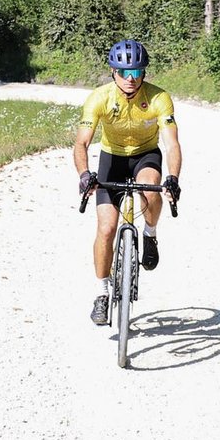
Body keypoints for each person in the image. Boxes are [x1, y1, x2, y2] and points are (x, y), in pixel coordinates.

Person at [74, 39, 182, 326]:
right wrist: (85, 175)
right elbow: (82, 143)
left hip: (146, 155)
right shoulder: (99, 98)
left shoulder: (160, 98)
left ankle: (150, 233)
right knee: (107, 228)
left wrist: (173, 178)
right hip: (112, 159)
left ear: (144, 73)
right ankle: (101, 293)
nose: (130, 79)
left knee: (151, 188)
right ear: (113, 71)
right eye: (124, 73)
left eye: (136, 73)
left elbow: (171, 144)